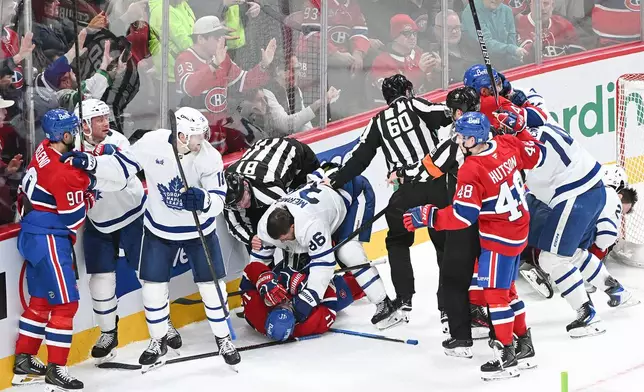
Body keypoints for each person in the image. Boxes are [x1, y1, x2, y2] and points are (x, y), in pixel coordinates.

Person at [61, 107, 240, 371]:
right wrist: (93, 163)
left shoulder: (209, 157)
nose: (201, 141)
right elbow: (124, 167)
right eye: (195, 136)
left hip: (199, 231)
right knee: (153, 289)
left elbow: (218, 199)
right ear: (180, 135)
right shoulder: (152, 143)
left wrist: (204, 200)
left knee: (213, 288)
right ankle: (157, 341)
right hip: (159, 230)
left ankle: (223, 339)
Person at [403, 112, 542, 380]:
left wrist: (429, 216)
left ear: (474, 138)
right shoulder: (506, 143)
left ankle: (506, 357)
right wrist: (521, 129)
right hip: (519, 230)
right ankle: (525, 345)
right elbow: (535, 156)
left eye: (463, 136)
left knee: (494, 295)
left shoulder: (472, 168)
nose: (459, 140)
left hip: (499, 238)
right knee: (508, 291)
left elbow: (463, 216)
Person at [329, 73, 453, 323]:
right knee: (445, 243)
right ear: (408, 90)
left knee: (397, 241)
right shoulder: (415, 103)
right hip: (436, 186)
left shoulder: (378, 121)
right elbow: (447, 113)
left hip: (406, 191)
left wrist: (335, 180)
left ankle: (404, 298)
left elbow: (359, 158)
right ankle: (448, 307)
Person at [71, 99, 184, 364]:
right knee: (99, 282)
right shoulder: (73, 148)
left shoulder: (118, 142)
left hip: (133, 215)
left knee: (149, 275)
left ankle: (163, 322)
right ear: (84, 126)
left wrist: (87, 174)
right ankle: (109, 333)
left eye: (105, 116)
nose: (105, 122)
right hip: (98, 222)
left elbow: (120, 180)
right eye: (98, 119)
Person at [506, 112, 617, 338]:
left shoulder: (529, 148)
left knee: (552, 258)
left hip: (575, 196)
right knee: (570, 253)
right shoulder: (545, 126)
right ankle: (614, 288)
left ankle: (587, 314)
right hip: (589, 189)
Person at [249, 169, 399, 330]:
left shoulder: (310, 225)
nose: (282, 241)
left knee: (348, 253)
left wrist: (307, 300)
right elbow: (257, 263)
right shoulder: (265, 226)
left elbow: (324, 264)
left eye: (284, 237)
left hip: (353, 193)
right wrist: (258, 286)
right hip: (324, 202)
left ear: (293, 226)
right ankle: (356, 285)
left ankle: (385, 304)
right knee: (297, 263)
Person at [12, 109, 93, 391]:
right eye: (75, 130)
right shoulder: (64, 173)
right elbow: (75, 219)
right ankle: (56, 368)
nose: (79, 134)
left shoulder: (44, 148)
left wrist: (81, 176)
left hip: (32, 234)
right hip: (49, 239)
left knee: (41, 301)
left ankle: (24, 360)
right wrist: (88, 189)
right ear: (66, 135)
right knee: (66, 304)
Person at [224, 137, 320, 252]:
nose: (241, 205)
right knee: (257, 231)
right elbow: (235, 224)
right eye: (236, 204)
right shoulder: (224, 193)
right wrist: (250, 238)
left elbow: (294, 217)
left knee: (304, 215)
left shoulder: (270, 188)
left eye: (242, 198)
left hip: (298, 157)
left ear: (245, 185)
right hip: (263, 154)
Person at [240, 259, 367, 341]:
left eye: (279, 307)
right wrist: (310, 294)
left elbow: (248, 272)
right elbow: (330, 307)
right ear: (294, 323)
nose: (285, 303)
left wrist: (265, 282)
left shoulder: (255, 311)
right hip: (314, 287)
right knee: (358, 284)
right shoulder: (305, 327)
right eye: (289, 308)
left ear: (268, 314)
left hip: (288, 268)